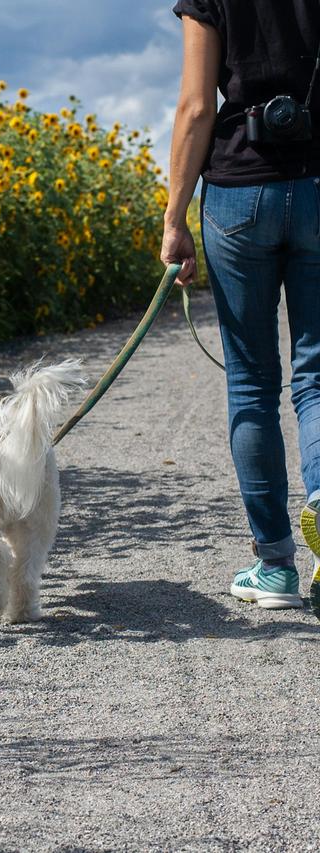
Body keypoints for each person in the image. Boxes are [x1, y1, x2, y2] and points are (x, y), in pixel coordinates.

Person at [161, 0, 320, 618]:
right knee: (317, 376)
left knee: (253, 383)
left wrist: (175, 220)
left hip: (238, 190)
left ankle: (276, 566)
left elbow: (198, 106)